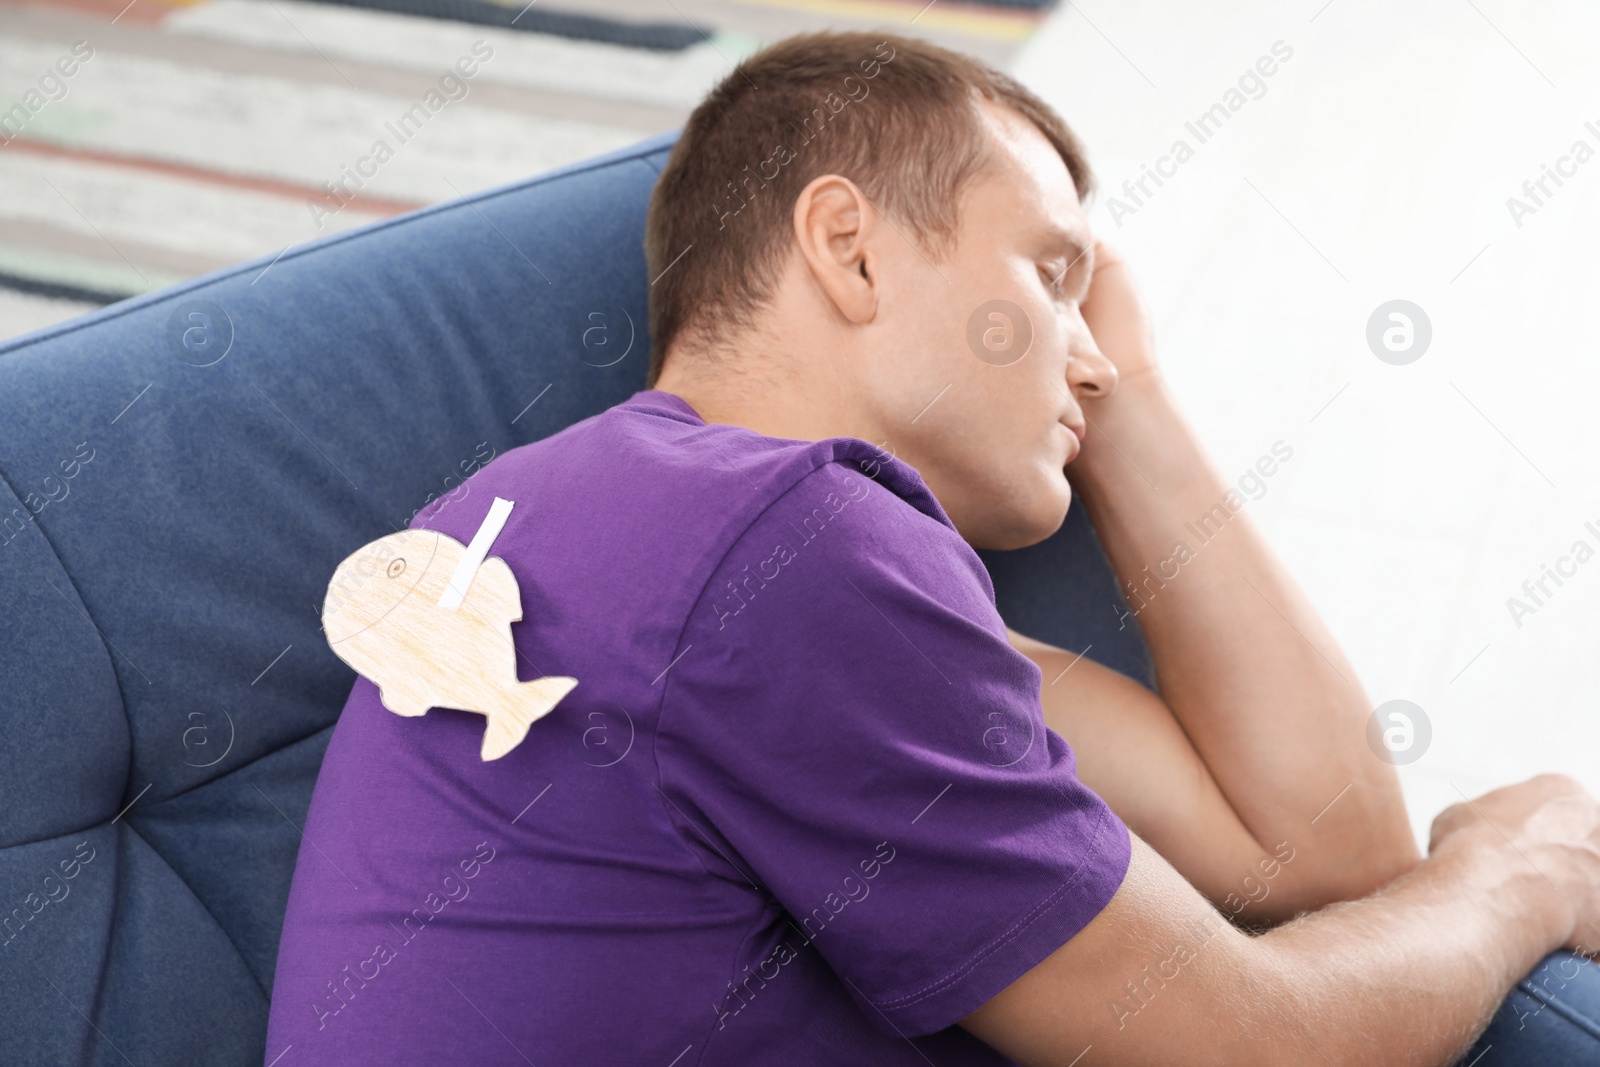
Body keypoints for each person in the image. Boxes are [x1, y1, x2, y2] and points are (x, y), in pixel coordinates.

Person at [265, 30, 1600, 1066]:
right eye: (1049, 273)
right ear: (848, 249)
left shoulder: (642, 534)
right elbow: (1256, 1045)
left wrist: (1119, 388)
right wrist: (1520, 868)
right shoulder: (784, 551)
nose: (1089, 361)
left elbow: (1314, 850)